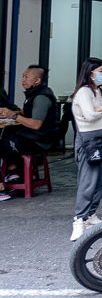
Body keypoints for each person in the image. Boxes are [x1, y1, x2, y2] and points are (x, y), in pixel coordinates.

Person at [70, 57, 102, 241]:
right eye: (100, 71)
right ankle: (79, 219)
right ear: (90, 72)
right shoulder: (83, 93)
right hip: (89, 140)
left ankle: (91, 214)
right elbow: (90, 115)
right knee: (88, 180)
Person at [0, 66, 60, 201]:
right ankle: (14, 173)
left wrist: (13, 116)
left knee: (3, 143)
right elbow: (28, 113)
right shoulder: (33, 94)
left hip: (40, 141)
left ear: (37, 80)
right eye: (23, 76)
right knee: (7, 136)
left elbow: (36, 124)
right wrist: (15, 113)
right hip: (33, 137)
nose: (23, 80)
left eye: (27, 77)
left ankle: (2, 189)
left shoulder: (41, 97)